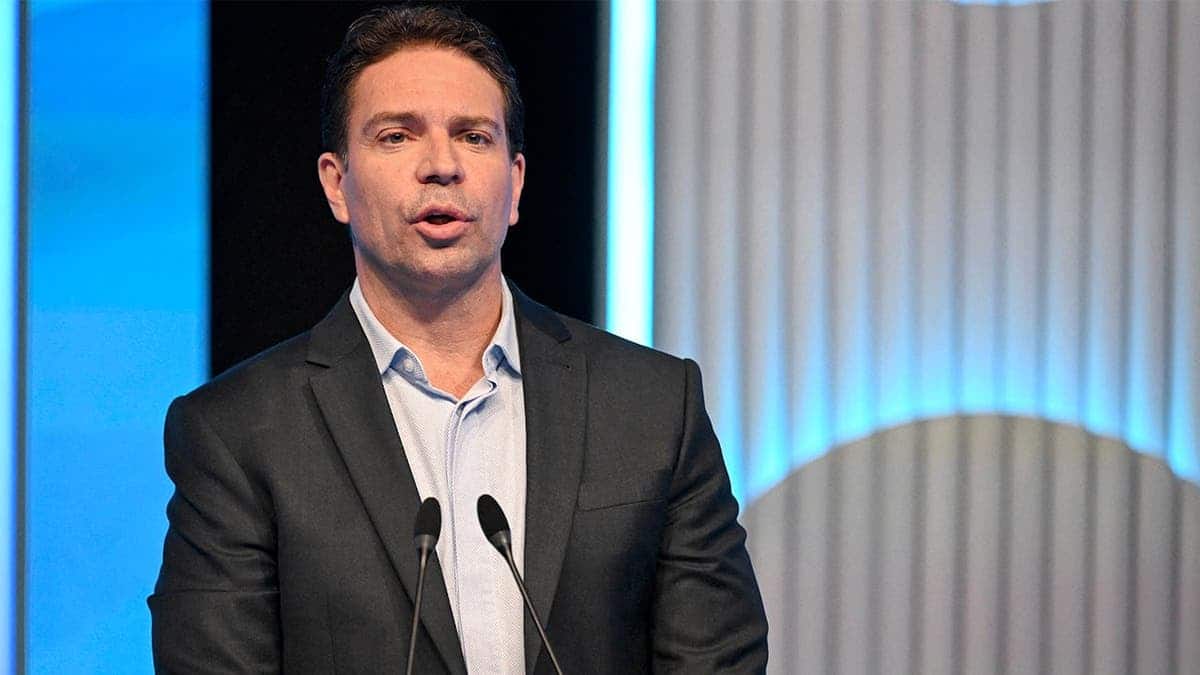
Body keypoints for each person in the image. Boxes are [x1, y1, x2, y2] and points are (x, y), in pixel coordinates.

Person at [149, 5, 767, 673]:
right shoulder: (237, 433)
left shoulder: (653, 407)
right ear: (337, 184)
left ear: (516, 183)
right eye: (396, 136)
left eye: (474, 136)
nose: (441, 165)